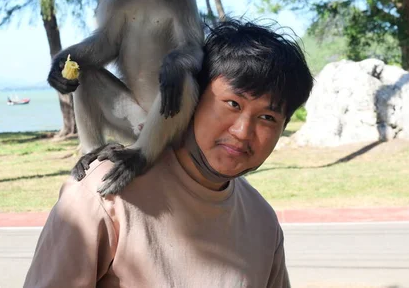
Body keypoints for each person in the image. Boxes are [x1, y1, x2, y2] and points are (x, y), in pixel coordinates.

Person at [24, 19, 314, 288]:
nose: (242, 131)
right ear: (193, 98)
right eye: (233, 104)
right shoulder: (106, 195)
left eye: (267, 118)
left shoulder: (263, 222)